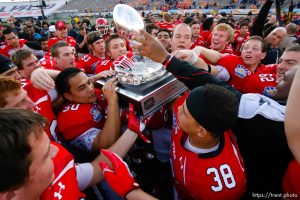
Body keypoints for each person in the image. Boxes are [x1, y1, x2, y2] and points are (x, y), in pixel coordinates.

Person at [133, 30, 293, 196]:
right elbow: (216, 81)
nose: (281, 68)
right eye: (282, 61)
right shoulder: (205, 115)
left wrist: (131, 193)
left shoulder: (222, 182)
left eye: (291, 64)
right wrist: (170, 60)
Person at [0, 78, 152, 200]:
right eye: (45, 155)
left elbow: (97, 168)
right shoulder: (70, 118)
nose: (57, 150)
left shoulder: (54, 158)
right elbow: (105, 146)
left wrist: (134, 128)